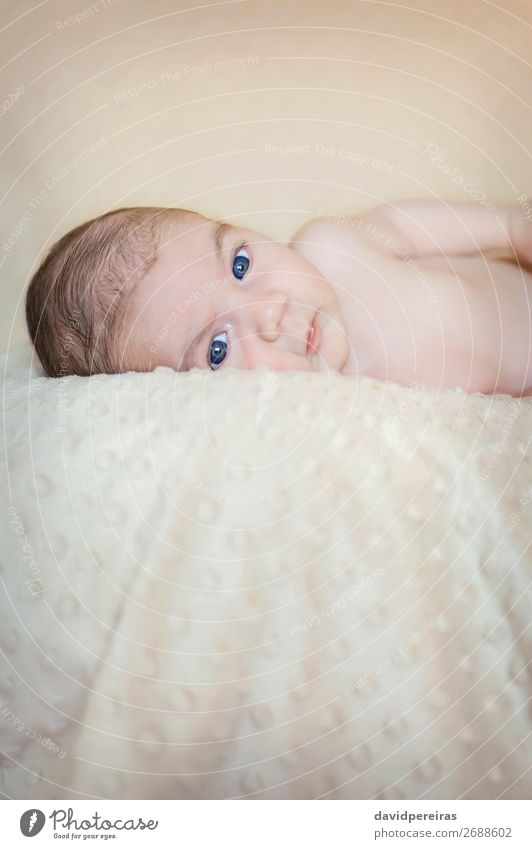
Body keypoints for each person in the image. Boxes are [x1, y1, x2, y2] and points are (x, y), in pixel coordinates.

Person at [25, 199, 532, 396]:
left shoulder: (332, 247)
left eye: (240, 264)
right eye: (216, 348)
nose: (269, 310)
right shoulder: (348, 412)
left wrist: (512, 226)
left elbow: (409, 228)